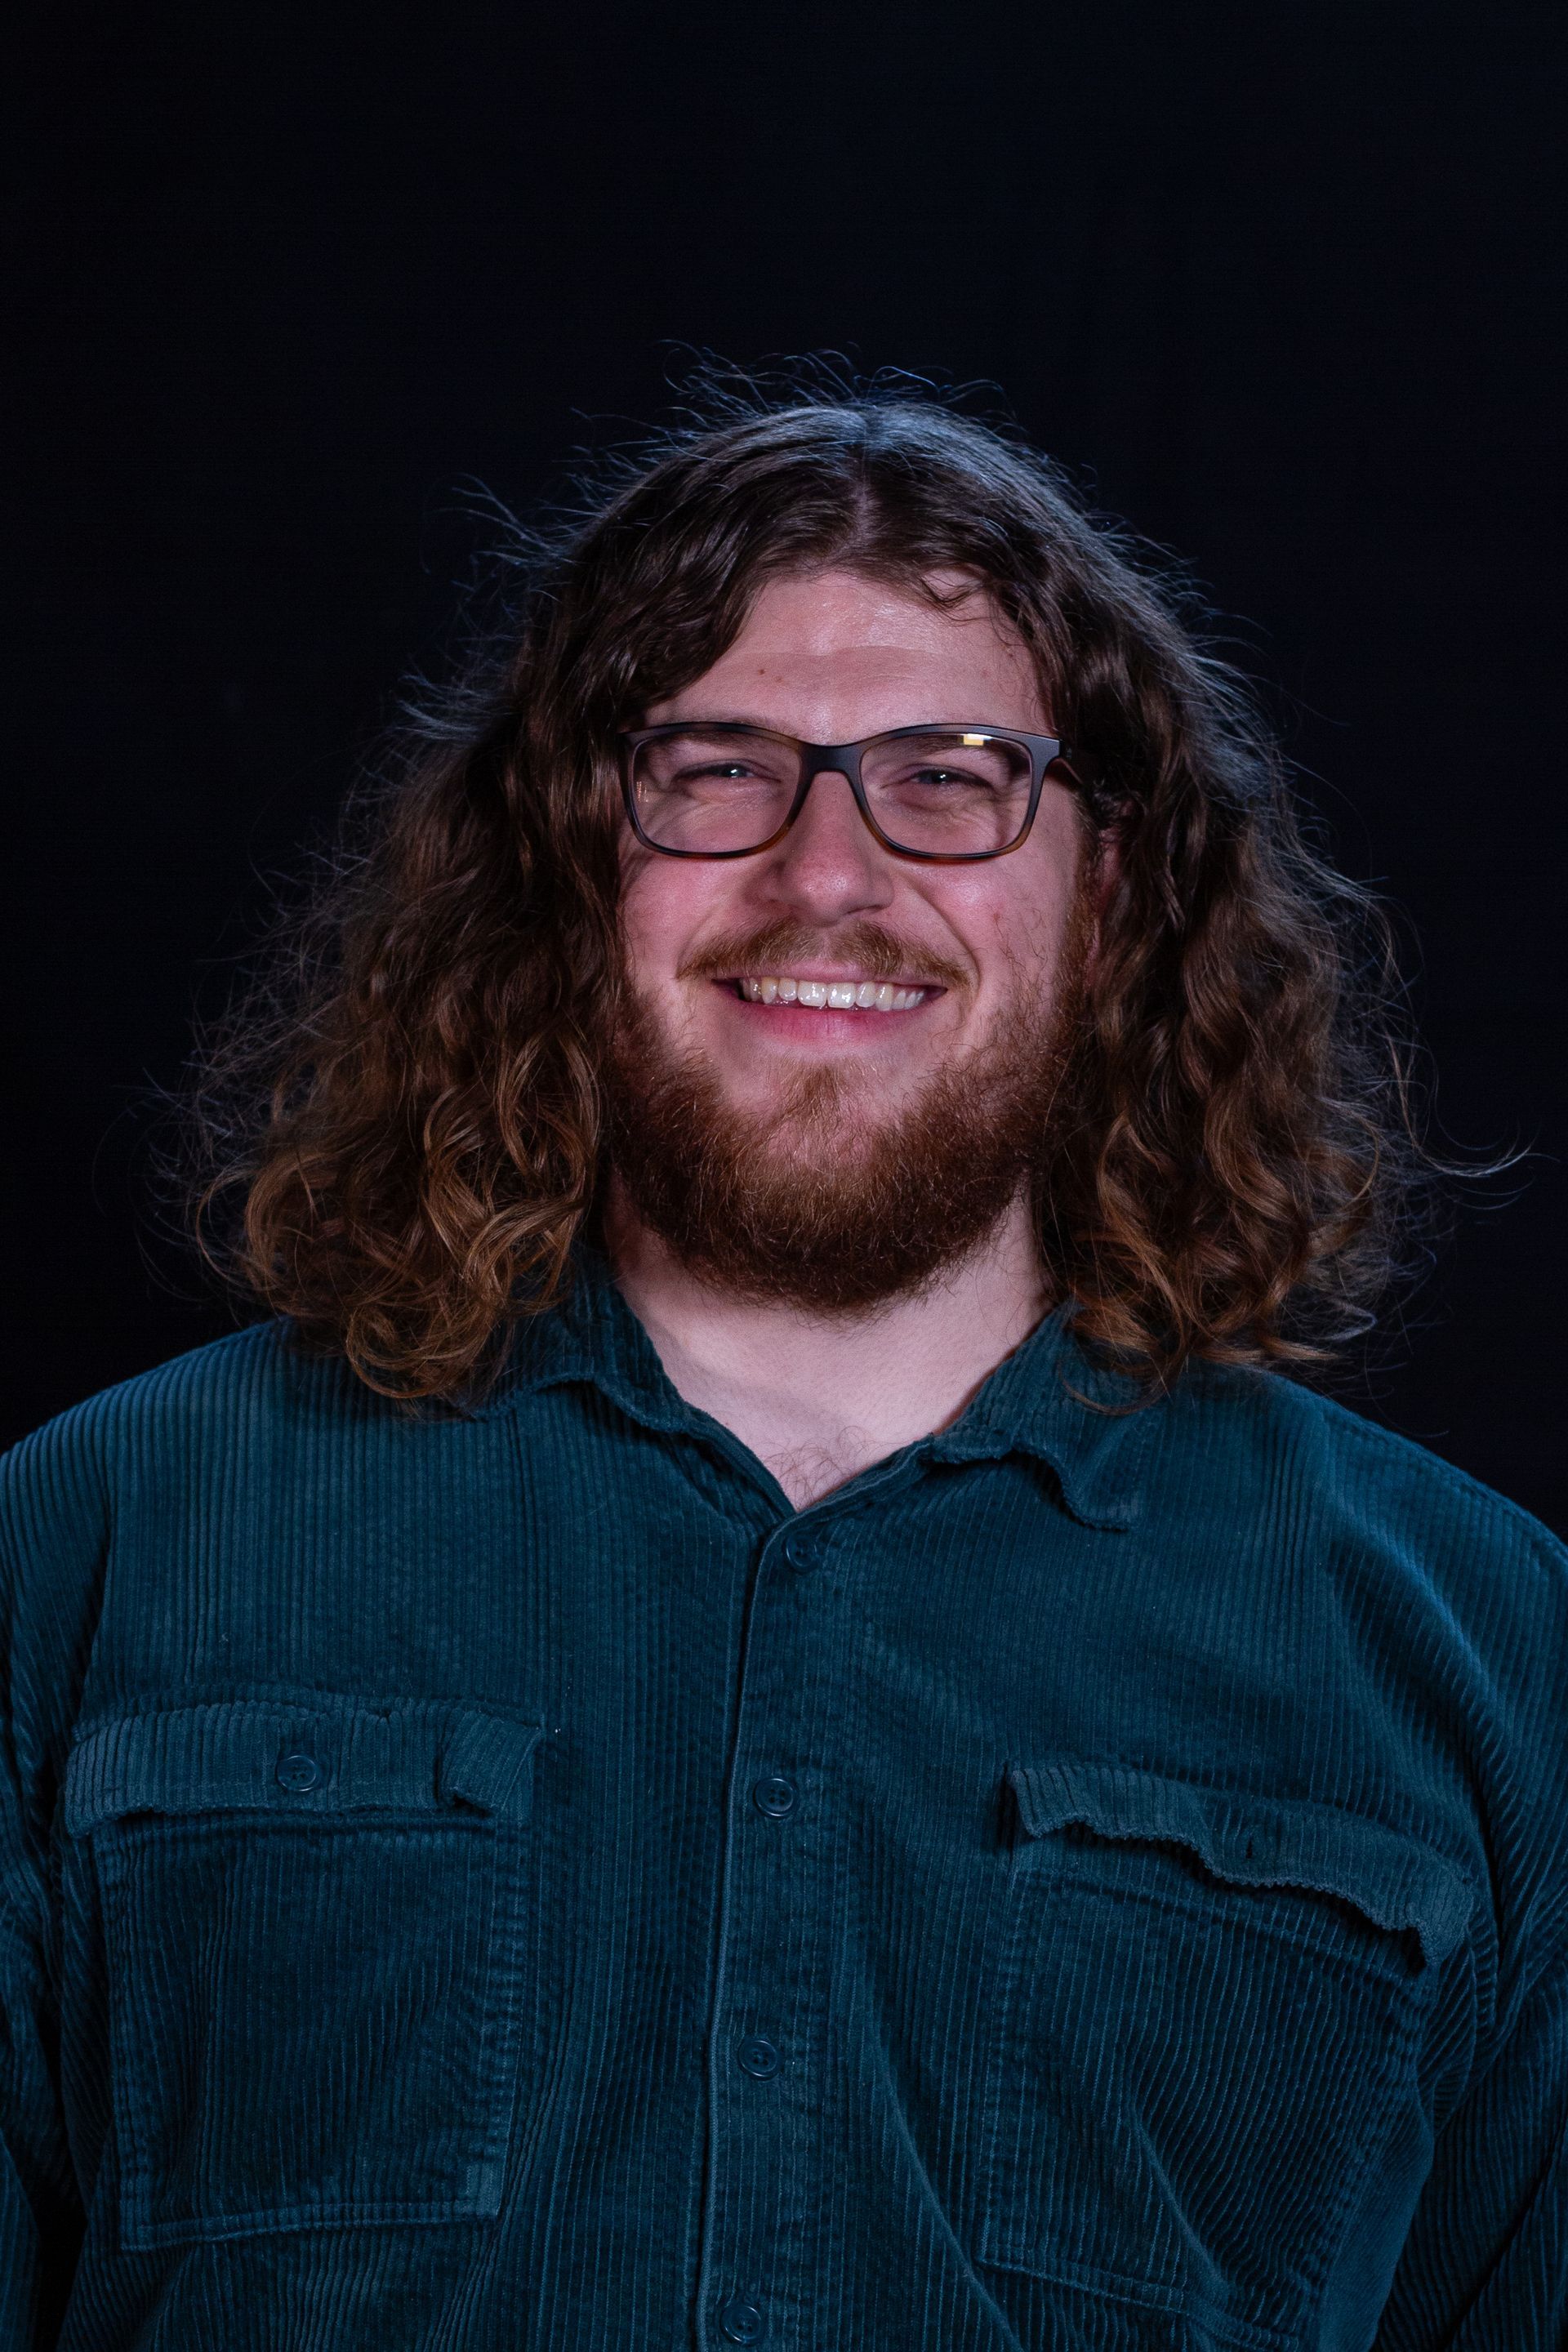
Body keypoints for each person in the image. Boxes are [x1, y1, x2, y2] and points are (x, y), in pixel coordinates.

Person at [2, 387, 1563, 2351]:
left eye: (951, 779)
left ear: (1114, 893)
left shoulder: (1484, 1661)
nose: (828, 875)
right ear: (569, 864)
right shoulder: (94, 1547)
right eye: (718, 770)